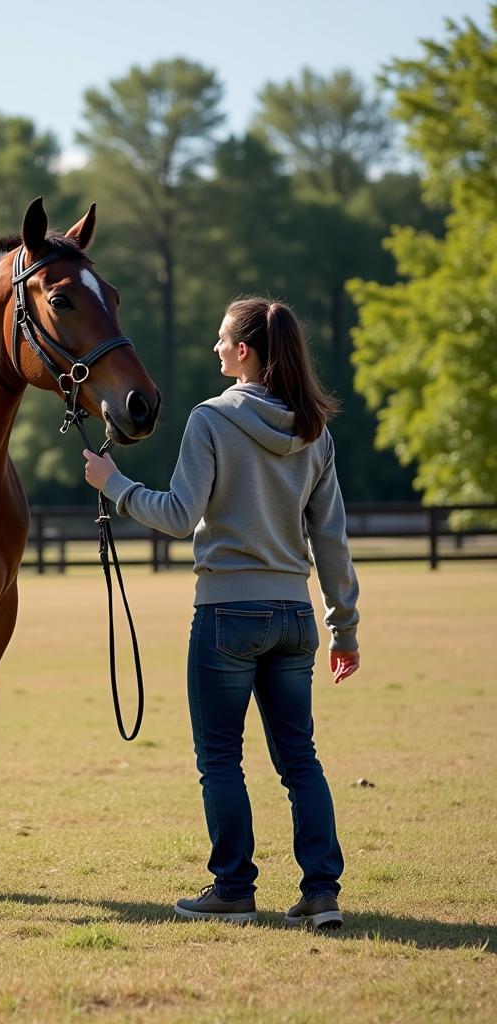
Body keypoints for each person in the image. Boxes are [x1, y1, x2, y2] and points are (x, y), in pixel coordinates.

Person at [83, 296, 360, 931]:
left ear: (244, 352)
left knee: (220, 758)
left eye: (221, 339)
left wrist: (114, 484)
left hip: (226, 615)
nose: (214, 348)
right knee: (300, 759)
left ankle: (234, 889)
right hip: (294, 617)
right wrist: (343, 626)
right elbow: (332, 540)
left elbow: (179, 518)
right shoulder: (314, 429)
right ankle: (322, 894)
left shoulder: (211, 419)